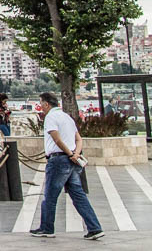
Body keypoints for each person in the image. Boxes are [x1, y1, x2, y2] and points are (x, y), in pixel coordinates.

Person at [30, 92, 103, 240]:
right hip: (71, 161)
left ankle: (47, 228)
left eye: (41, 103)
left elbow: (56, 139)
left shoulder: (50, 117)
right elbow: (79, 139)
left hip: (58, 160)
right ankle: (94, 227)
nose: (41, 107)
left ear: (46, 104)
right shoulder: (66, 117)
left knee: (50, 196)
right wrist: (75, 154)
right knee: (78, 196)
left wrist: (70, 153)